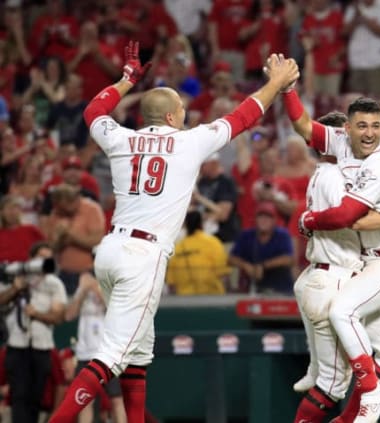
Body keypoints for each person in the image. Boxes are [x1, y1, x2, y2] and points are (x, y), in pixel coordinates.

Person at [48, 41, 299, 423]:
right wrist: (276, 83)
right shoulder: (188, 143)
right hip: (142, 257)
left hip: (112, 249)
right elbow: (244, 116)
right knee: (111, 356)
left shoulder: (121, 139)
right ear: (169, 117)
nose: (186, 115)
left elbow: (93, 110)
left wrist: (127, 79)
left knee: (137, 353)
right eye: (181, 111)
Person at [283, 56, 380, 421]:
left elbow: (348, 217)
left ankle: (362, 399)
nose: (370, 132)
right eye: (362, 126)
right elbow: (348, 218)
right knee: (334, 374)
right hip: (342, 271)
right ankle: (371, 392)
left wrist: (310, 219)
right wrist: (288, 90)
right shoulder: (334, 163)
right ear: (348, 129)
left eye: (376, 125)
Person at [0, 242, 66, 423]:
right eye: (41, 257)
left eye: (48, 258)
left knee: (36, 398)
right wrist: (15, 288)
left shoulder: (54, 284)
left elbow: (59, 316)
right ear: (31, 259)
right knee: (18, 397)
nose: (45, 261)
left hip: (42, 347)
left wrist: (36, 314)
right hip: (16, 346)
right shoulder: (15, 276)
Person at [64, 272, 126, 423]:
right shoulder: (82, 289)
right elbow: (69, 315)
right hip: (84, 354)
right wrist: (83, 291)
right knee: (85, 400)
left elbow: (114, 310)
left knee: (116, 399)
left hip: (106, 354)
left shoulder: (111, 285)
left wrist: (94, 287)